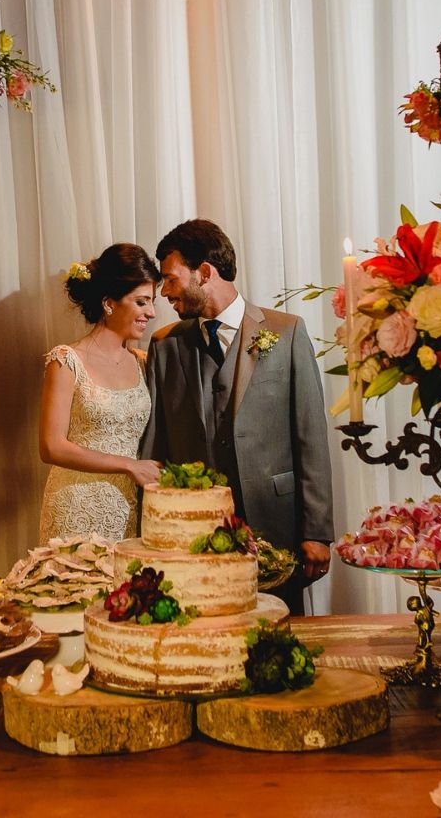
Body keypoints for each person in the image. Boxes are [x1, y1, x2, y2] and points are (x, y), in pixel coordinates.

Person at [141, 219, 333, 614]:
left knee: (280, 635)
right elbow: (155, 445)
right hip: (195, 535)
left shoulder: (287, 332)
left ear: (205, 273)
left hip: (276, 525)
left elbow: (310, 437)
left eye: (170, 280)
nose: (164, 294)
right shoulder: (164, 346)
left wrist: (317, 531)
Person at [38, 244, 163, 542]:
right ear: (109, 303)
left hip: (128, 506)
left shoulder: (143, 363)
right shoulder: (66, 360)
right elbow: (51, 447)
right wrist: (129, 466)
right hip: (75, 506)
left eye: (153, 302)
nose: (152, 312)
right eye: (142, 302)